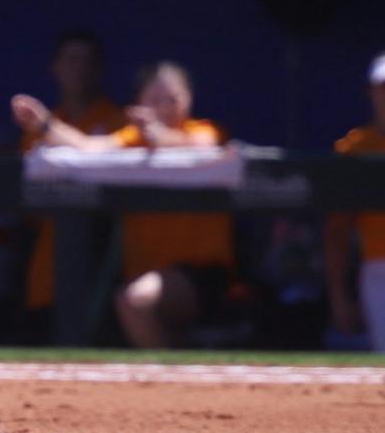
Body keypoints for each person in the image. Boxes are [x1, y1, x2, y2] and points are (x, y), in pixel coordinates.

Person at [20, 60, 234, 348]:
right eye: (154, 100)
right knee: (133, 302)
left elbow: (203, 147)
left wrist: (158, 135)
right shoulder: (133, 138)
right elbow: (87, 147)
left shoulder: (203, 130)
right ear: (139, 104)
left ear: (189, 98)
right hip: (146, 270)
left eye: (172, 99)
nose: (164, 108)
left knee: (134, 300)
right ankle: (175, 379)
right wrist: (45, 123)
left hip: (203, 273)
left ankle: (169, 380)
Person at [9, 29, 125, 323]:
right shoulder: (37, 127)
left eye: (88, 61)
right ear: (56, 67)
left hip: (106, 247)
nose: (80, 70)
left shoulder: (119, 121)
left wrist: (46, 126)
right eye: (72, 60)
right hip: (49, 249)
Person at [326, 54, 385, 350]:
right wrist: (339, 296)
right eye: (383, 88)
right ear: (371, 93)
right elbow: (338, 230)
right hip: (379, 268)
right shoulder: (353, 149)